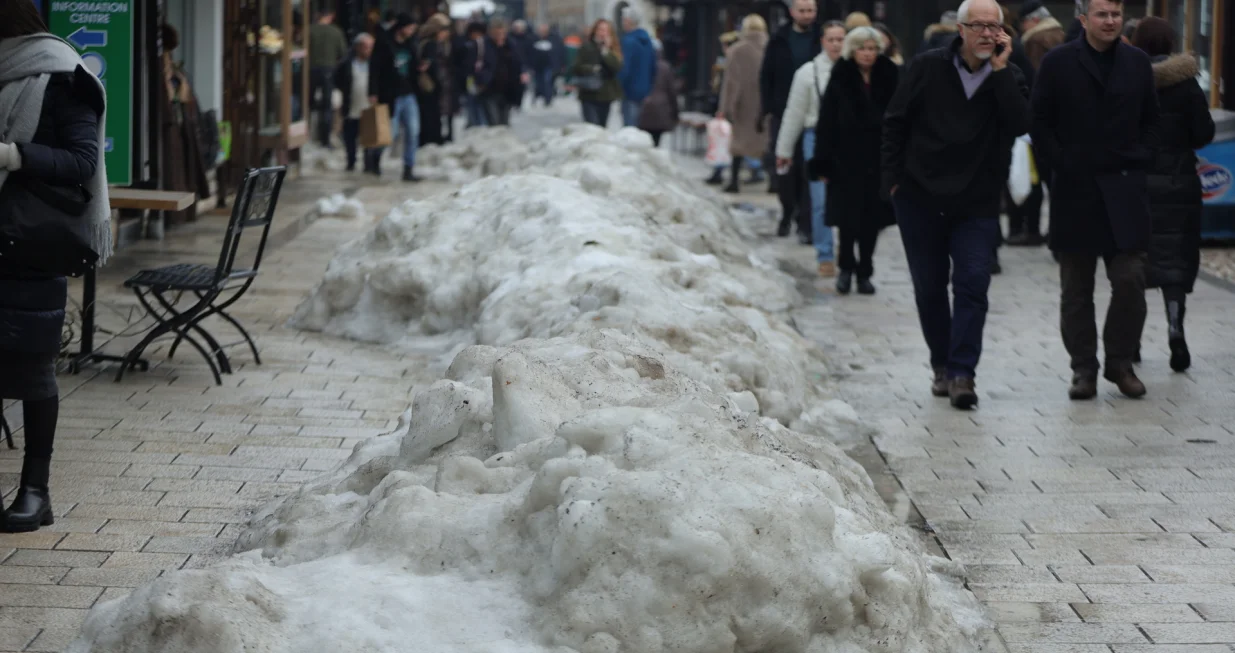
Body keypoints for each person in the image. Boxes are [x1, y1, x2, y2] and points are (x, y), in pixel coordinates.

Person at [882, 0, 1031, 409]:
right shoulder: (927, 67)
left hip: (976, 201)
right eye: (978, 26)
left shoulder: (1009, 75)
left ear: (1004, 34)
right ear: (960, 30)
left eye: (994, 27)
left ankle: (963, 372)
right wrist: (893, 181)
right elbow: (895, 121)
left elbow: (1021, 124)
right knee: (929, 288)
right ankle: (941, 365)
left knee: (972, 284)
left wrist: (1000, 73)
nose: (987, 34)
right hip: (919, 197)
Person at [0, 2, 109, 532]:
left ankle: (35, 492)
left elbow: (83, 161)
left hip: (29, 245)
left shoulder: (65, 76)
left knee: (32, 372)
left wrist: (14, 157)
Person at [1031, 0, 1159, 400]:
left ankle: (1120, 362)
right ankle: (1083, 367)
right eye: (1102, 14)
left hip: (1124, 189)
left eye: (1116, 14)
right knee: (1076, 288)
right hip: (1077, 189)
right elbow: (1039, 121)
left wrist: (1141, 160)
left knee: (1130, 280)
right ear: (1083, 18)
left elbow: (1152, 122)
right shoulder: (1058, 62)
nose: (1110, 21)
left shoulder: (1137, 62)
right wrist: (1062, 163)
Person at [1132, 16, 1215, 372]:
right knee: (1175, 263)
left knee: (1133, 263)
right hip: (1180, 184)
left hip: (1136, 185)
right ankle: (1175, 327)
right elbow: (1203, 134)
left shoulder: (1128, 81)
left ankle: (1130, 341)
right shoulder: (1187, 85)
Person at [813, 26, 899, 295]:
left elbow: (901, 117)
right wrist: (823, 161)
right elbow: (826, 121)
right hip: (845, 159)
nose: (867, 53)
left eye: (872, 48)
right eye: (862, 48)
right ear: (853, 50)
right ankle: (846, 268)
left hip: (878, 159)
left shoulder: (889, 74)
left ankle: (865, 271)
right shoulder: (841, 75)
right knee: (847, 220)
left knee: (872, 220)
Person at [777, 20, 845, 278]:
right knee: (820, 199)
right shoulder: (808, 73)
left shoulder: (855, 70)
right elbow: (794, 113)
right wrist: (783, 150)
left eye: (841, 39)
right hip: (814, 137)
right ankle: (825, 253)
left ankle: (847, 249)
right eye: (832, 39)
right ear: (822, 41)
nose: (837, 44)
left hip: (849, 141)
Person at [759, 0, 820, 237]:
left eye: (811, 10)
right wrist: (768, 108)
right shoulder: (779, 38)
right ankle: (787, 211)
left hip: (814, 113)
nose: (807, 15)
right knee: (784, 166)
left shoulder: (821, 37)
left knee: (809, 168)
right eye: (802, 10)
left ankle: (805, 222)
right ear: (793, 12)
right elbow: (767, 75)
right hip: (783, 111)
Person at [160, 24, 210, 213]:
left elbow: (182, 95)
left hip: (179, 125)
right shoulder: (160, 64)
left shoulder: (173, 68)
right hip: (169, 127)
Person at [368, 13, 423, 181]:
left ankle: (408, 168)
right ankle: (374, 158)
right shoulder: (384, 43)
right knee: (388, 134)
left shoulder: (411, 44)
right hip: (390, 94)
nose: (412, 31)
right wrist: (373, 92)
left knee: (413, 131)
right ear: (402, 27)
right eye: (410, 28)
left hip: (409, 93)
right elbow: (375, 68)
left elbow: (413, 67)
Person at [719, 15, 768, 195]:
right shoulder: (770, 47)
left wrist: (725, 108)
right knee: (766, 143)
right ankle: (773, 182)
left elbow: (731, 83)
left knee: (738, 144)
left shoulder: (736, 50)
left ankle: (734, 181)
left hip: (743, 105)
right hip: (764, 104)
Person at [335, 33, 381, 173]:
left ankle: (369, 164)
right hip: (352, 105)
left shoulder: (375, 63)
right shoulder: (347, 63)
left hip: (368, 105)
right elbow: (338, 80)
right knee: (350, 137)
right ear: (358, 47)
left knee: (369, 138)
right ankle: (351, 161)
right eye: (366, 47)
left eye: (371, 47)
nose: (369, 50)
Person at [309, 10, 349, 148]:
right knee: (327, 106)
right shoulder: (336, 32)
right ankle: (325, 139)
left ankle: (307, 136)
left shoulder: (310, 30)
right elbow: (343, 54)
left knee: (308, 104)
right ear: (330, 17)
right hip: (329, 70)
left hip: (310, 70)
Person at [572, 19, 623, 127]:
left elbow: (616, 67)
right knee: (591, 127)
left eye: (605, 30)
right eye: (600, 29)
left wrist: (605, 51)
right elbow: (576, 67)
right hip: (588, 93)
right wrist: (592, 69)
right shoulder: (587, 47)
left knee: (601, 127)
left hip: (606, 95)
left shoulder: (612, 49)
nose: (602, 33)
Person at [416, 14, 453, 146]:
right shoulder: (431, 45)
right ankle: (432, 138)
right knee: (432, 114)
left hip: (433, 85)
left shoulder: (427, 43)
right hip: (431, 85)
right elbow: (431, 65)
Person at [618, 10, 657, 128]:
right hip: (644, 90)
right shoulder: (647, 41)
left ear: (628, 21)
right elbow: (653, 67)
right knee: (639, 128)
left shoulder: (628, 41)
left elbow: (625, 68)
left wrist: (619, 86)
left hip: (629, 91)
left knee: (630, 130)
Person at [486, 20, 528, 126]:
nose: (500, 36)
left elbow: (518, 63)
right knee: (493, 119)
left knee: (504, 119)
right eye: (497, 33)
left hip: (508, 88)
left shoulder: (511, 45)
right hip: (490, 87)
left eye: (502, 33)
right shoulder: (486, 46)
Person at [637, 40, 679, 147]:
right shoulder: (665, 67)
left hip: (644, 108)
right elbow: (672, 91)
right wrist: (675, 112)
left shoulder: (641, 65)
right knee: (656, 142)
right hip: (661, 109)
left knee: (644, 142)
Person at [460, 22, 495, 128]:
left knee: (478, 106)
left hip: (480, 80)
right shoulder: (470, 45)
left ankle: (478, 125)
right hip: (472, 79)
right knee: (473, 104)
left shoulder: (481, 45)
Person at [1021, 0, 1066, 70]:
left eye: (1024, 21)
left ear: (1035, 19)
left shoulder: (1034, 40)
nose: (1023, 26)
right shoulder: (1061, 33)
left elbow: (1036, 70)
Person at [530, 24, 561, 106]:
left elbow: (559, 52)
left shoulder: (554, 39)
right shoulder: (534, 39)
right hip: (537, 66)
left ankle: (548, 99)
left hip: (549, 65)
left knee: (547, 82)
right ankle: (541, 95)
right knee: (539, 83)